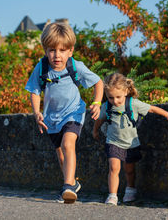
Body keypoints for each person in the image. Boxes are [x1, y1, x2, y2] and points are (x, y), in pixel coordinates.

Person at [25, 22, 103, 204]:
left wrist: (97, 102)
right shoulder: (42, 67)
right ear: (45, 50)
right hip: (52, 118)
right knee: (61, 156)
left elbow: (98, 82)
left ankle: (67, 186)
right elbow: (34, 91)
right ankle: (72, 184)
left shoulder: (76, 66)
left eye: (62, 50)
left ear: (70, 51)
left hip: (73, 113)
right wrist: (37, 113)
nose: (57, 55)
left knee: (69, 144)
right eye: (52, 50)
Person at [92, 73, 168, 205]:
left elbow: (152, 109)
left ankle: (130, 190)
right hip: (113, 141)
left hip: (131, 143)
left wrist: (167, 115)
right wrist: (95, 131)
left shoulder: (133, 104)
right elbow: (99, 120)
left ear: (126, 91)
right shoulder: (106, 106)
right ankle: (112, 195)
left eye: (118, 97)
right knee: (113, 168)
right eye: (110, 97)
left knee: (130, 170)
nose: (115, 101)